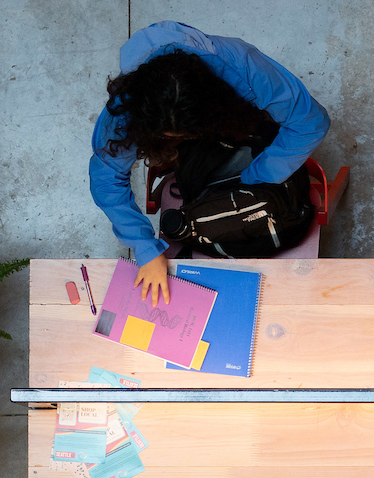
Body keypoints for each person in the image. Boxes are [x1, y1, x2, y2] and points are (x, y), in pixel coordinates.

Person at [90, 21, 331, 307]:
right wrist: (146, 249)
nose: (180, 141)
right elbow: (106, 179)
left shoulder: (242, 67)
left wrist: (260, 174)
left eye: (185, 134)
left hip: (234, 116)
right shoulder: (125, 108)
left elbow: (310, 120)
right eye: (170, 136)